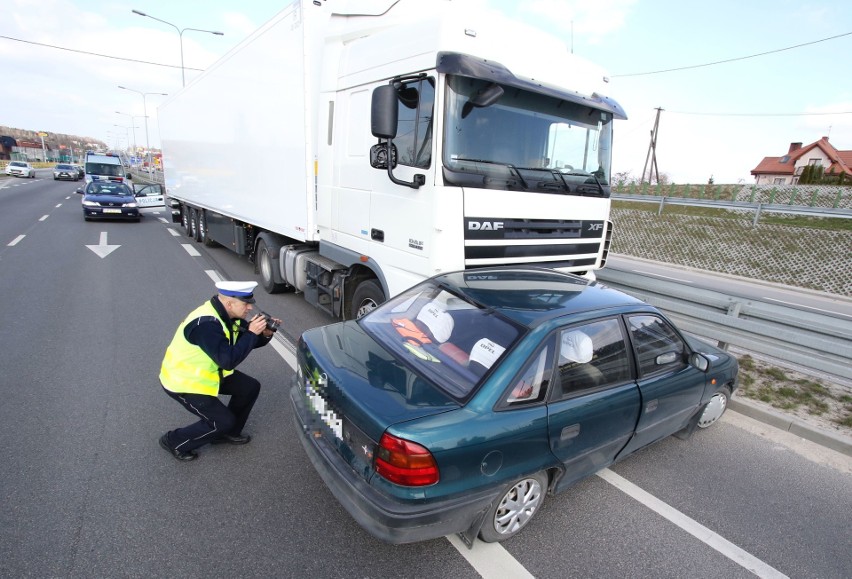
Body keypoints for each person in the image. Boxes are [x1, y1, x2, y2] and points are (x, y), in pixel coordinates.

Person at [158, 280, 281, 461]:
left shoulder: (227, 316)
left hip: (207, 374)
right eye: (246, 304)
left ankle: (226, 433)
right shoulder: (206, 325)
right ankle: (174, 441)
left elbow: (243, 343)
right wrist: (252, 333)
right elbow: (228, 360)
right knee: (222, 421)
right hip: (183, 382)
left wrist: (265, 334)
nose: (249, 308)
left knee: (249, 387)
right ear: (230, 303)